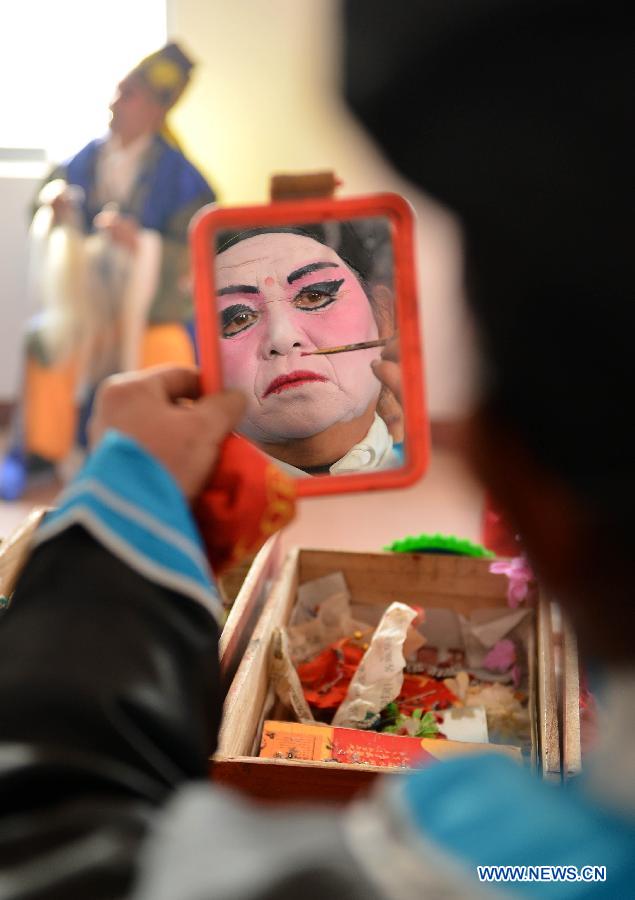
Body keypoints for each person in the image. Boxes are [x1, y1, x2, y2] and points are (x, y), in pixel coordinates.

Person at [0, 1, 633, 898]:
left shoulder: (478, 862)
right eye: (237, 317)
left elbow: (47, 841)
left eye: (314, 296)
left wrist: (124, 508)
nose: (287, 343)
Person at [0, 42, 216, 501]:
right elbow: (45, 203)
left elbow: (201, 247)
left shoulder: (182, 178)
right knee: (46, 340)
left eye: (128, 95)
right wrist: (54, 208)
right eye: (118, 93)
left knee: (168, 349)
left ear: (156, 110)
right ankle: (53, 458)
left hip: (151, 312)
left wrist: (142, 244)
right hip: (89, 306)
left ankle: (155, 465)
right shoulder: (85, 160)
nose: (115, 104)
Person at [215, 225, 401, 475]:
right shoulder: (184, 504)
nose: (282, 338)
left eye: (315, 296)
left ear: (384, 318)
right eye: (239, 318)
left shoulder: (446, 475)